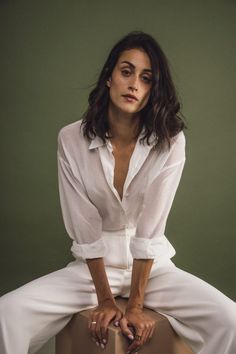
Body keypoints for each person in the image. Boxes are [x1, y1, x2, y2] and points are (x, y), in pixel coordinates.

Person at [0, 30, 236, 354]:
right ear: (109, 77)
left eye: (146, 78)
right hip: (93, 267)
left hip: (154, 268)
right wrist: (105, 299)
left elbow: (151, 228)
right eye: (126, 71)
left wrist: (135, 305)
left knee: (230, 319)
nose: (134, 84)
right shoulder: (70, 140)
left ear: (153, 90)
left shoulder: (171, 142)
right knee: (7, 313)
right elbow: (84, 228)